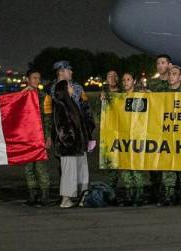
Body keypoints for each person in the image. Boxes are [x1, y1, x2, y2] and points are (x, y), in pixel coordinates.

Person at [51, 80, 95, 208]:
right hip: (69, 148)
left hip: (78, 147)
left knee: (81, 172)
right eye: (69, 86)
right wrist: (70, 142)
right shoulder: (60, 105)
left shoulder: (71, 103)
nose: (72, 88)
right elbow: (61, 128)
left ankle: (82, 197)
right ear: (63, 89)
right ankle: (65, 200)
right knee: (69, 173)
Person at [160, 65, 181, 207]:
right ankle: (169, 195)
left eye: (174, 74)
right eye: (169, 74)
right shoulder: (161, 94)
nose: (170, 76)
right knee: (168, 167)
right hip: (167, 136)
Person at [145, 54, 172, 203]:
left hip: (170, 127)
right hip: (154, 126)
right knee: (154, 159)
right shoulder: (152, 83)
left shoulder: (174, 83)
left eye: (163, 63)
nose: (160, 66)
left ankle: (172, 191)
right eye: (158, 63)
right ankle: (155, 190)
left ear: (169, 65)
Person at [23, 69, 51, 206]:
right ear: (27, 79)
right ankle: (32, 195)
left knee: (40, 168)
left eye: (38, 78)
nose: (37, 81)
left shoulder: (44, 97)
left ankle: (45, 195)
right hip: (26, 138)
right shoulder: (21, 96)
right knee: (29, 168)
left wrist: (48, 137)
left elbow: (48, 119)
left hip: (40, 137)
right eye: (34, 78)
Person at [118, 72, 145, 206]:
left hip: (137, 137)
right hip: (123, 137)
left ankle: (139, 195)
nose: (126, 82)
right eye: (124, 80)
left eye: (128, 79)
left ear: (134, 81)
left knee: (137, 168)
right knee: (125, 168)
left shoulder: (141, 97)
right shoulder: (119, 98)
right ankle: (129, 194)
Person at [101, 70, 121, 190]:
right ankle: (111, 189)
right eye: (109, 76)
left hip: (122, 131)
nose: (112, 78)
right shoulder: (104, 93)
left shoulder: (122, 92)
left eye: (114, 76)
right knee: (111, 163)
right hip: (109, 132)